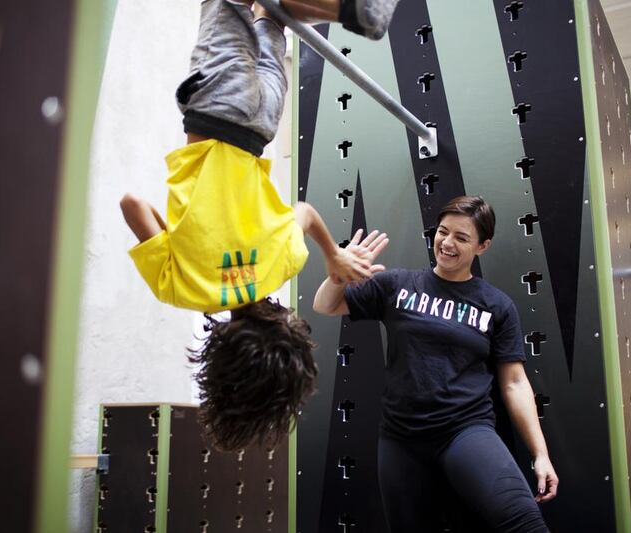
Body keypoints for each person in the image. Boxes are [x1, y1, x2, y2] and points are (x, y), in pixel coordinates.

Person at [119, 0, 397, 451]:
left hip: (262, 123)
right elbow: (132, 203)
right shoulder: (180, 288)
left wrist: (334, 255)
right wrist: (177, 232)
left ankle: (348, 12)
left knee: (267, 12)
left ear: (285, 328)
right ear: (223, 357)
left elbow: (304, 213)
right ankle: (354, 11)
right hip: (216, 107)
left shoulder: (281, 263)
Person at [313, 195, 558, 532]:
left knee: (524, 522)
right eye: (443, 232)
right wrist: (338, 274)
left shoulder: (496, 306)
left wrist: (540, 454)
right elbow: (325, 305)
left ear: (482, 246)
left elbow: (514, 382)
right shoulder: (396, 285)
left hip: (465, 430)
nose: (447, 243)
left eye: (462, 237)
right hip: (401, 438)